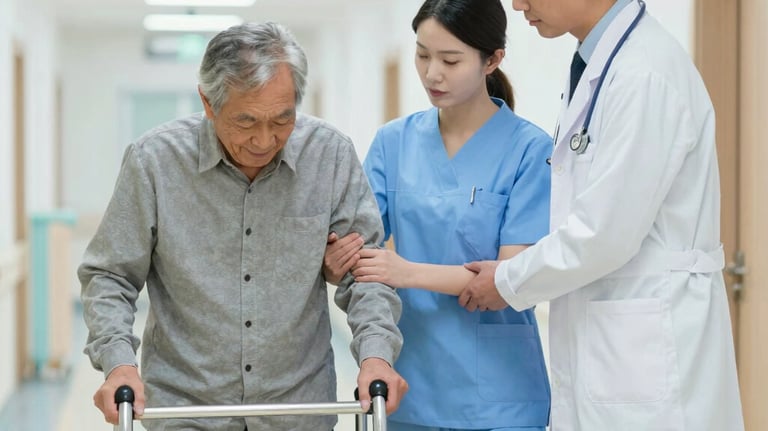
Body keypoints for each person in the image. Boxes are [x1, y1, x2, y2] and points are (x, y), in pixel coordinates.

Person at [79, 21, 408, 431]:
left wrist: (376, 356)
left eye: (282, 120)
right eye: (246, 121)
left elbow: (367, 273)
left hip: (297, 409)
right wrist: (119, 364)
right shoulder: (155, 162)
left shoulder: (330, 156)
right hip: (187, 409)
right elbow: (109, 275)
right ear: (208, 102)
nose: (265, 140)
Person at [459, 0, 745, 430]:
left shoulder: (643, 73)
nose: (518, 4)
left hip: (649, 353)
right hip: (616, 344)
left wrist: (506, 280)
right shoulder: (601, 64)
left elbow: (603, 235)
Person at [324, 0, 552, 429]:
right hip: (412, 384)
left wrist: (405, 272)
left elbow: (510, 278)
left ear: (493, 60)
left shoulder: (529, 150)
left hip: (500, 393)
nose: (432, 73)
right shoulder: (394, 143)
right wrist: (336, 265)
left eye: (450, 60)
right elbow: (358, 251)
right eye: (422, 54)